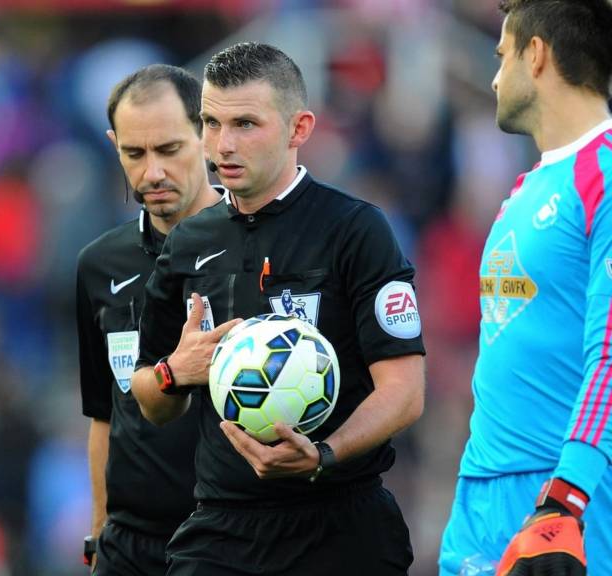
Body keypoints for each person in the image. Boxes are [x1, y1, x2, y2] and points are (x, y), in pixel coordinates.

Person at [129, 42, 426, 575]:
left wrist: (325, 453)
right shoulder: (188, 242)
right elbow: (148, 394)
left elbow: (405, 392)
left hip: (342, 525)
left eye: (246, 124)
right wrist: (178, 371)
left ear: (299, 128)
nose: (222, 144)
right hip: (224, 528)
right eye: (210, 123)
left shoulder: (355, 230)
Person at [439, 1, 612, 574]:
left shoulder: (605, 175)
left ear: (535, 55)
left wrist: (569, 493)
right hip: (481, 496)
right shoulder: (527, 187)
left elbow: (609, 351)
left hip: (562, 503)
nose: (492, 76)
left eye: (500, 54)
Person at [76, 64, 224, 575]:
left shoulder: (256, 245)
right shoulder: (99, 266)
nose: (152, 172)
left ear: (205, 135)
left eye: (168, 149)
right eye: (134, 154)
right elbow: (103, 416)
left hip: (232, 537)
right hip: (131, 546)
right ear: (114, 145)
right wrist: (99, 536)